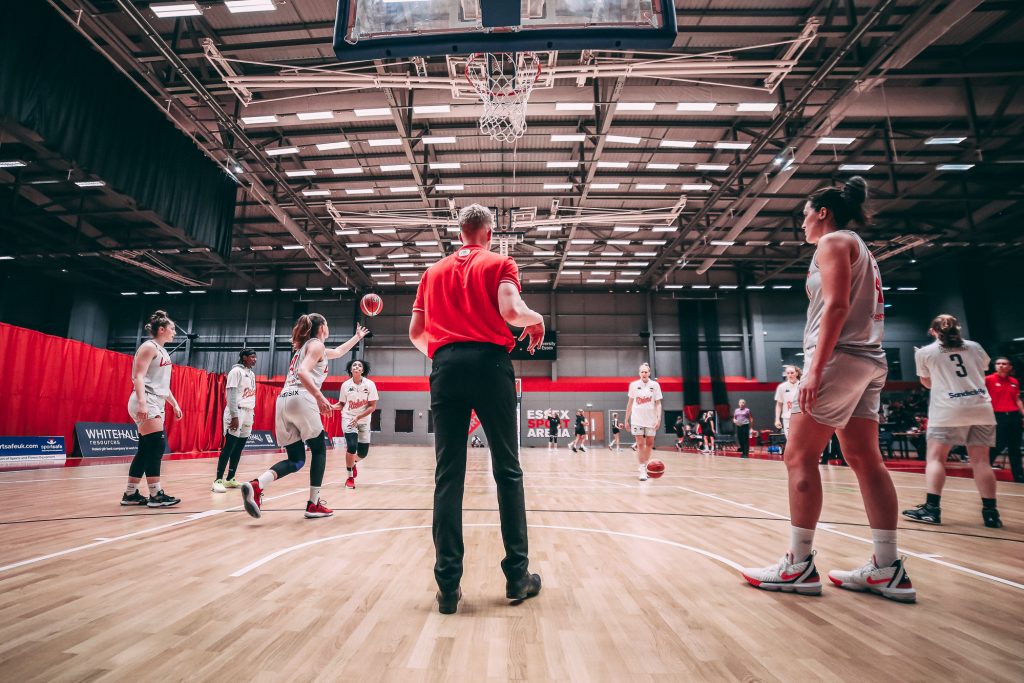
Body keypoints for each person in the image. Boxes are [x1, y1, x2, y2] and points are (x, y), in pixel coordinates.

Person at [741, 176, 916, 603]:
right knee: (864, 459)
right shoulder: (861, 248)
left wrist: (814, 370)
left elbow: (837, 305)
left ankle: (797, 566)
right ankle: (887, 568)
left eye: (804, 214)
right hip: (869, 360)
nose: (801, 223)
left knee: (799, 456)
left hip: (839, 358)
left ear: (822, 212)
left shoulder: (833, 242)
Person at [408, 203, 545, 615]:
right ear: (488, 233)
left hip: (445, 367)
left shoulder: (431, 273)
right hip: (490, 365)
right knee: (507, 470)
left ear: (460, 232)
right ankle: (517, 579)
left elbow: (416, 333)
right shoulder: (501, 262)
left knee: (448, 475)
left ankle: (448, 587)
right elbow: (511, 312)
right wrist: (536, 319)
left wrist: (444, 356)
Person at [240, 316, 368, 520]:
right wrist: (319, 397)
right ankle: (314, 504)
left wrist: (357, 337)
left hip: (283, 401)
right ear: (322, 328)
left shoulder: (306, 348)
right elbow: (302, 372)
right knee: (319, 450)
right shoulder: (316, 345)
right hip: (302, 397)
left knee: (296, 460)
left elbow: (339, 352)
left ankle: (257, 485)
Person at [903, 315, 1002, 528]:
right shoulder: (974, 347)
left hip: (948, 409)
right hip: (980, 407)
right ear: (958, 329)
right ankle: (991, 513)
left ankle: (932, 508)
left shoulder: (925, 352)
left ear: (932, 331)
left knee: (936, 459)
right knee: (982, 462)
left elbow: (927, 383)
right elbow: (983, 369)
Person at [120, 310, 183, 508]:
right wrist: (142, 402)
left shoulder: (163, 351)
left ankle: (130, 494)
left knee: (146, 449)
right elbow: (138, 376)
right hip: (146, 398)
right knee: (156, 447)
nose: (174, 332)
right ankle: (156, 495)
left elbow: (162, 384)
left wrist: (174, 404)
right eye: (172, 329)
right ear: (162, 329)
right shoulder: (148, 347)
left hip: (157, 399)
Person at [212, 349, 257, 493]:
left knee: (239, 448)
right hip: (236, 411)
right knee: (229, 446)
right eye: (252, 357)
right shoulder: (236, 372)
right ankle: (218, 480)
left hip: (248, 412)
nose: (254, 360)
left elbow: (250, 395)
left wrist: (252, 411)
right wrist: (235, 416)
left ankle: (230, 478)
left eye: (255, 357)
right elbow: (230, 395)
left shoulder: (251, 374)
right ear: (244, 357)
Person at [340, 358, 378, 489]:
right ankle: (350, 477)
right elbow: (341, 404)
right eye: (354, 365)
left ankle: (353, 462)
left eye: (359, 365)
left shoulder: (370, 385)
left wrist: (359, 416)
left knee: (363, 453)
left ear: (362, 370)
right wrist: (330, 406)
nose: (356, 366)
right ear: (351, 369)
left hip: (364, 419)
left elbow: (372, 406)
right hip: (348, 418)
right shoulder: (345, 385)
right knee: (351, 446)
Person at [986, 357, 1023, 482]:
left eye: (1004, 363)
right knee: (997, 445)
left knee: (1015, 447)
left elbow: (1017, 399)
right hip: (997, 416)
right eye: (998, 363)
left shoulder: (1014, 382)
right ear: (995, 366)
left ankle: (1018, 476)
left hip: (1013, 416)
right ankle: (984, 470)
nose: (1001, 365)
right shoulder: (988, 380)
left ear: (1010, 367)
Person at [625, 362, 663, 481]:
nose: (644, 373)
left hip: (651, 419)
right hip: (637, 419)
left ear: (649, 373)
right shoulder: (633, 385)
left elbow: (658, 403)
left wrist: (658, 418)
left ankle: (646, 464)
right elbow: (630, 403)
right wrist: (626, 419)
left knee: (650, 444)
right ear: (639, 373)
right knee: (640, 444)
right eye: (642, 372)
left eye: (646, 372)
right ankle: (642, 468)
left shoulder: (655, 385)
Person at [774, 365, 802, 438]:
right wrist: (777, 419)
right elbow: (779, 404)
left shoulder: (802, 385)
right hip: (787, 418)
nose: (790, 375)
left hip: (801, 417)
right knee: (790, 440)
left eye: (792, 373)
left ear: (797, 373)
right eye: (788, 373)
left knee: (801, 440)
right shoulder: (782, 387)